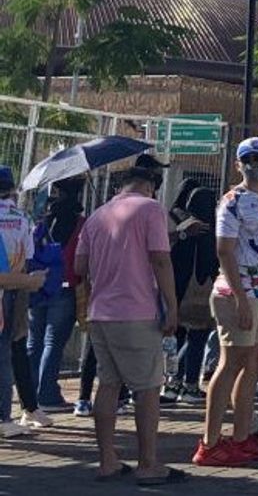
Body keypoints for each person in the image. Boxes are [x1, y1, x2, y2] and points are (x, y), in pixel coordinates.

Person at [75, 161, 187, 485]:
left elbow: (80, 266)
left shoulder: (96, 216)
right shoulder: (151, 209)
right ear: (151, 185)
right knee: (148, 388)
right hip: (137, 312)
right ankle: (148, 463)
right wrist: (172, 305)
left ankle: (107, 460)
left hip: (101, 314)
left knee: (108, 385)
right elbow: (161, 259)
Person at [194, 137, 258, 467]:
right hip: (238, 292)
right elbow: (223, 249)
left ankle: (240, 436)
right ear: (238, 164)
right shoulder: (232, 200)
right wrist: (240, 298)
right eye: (247, 159)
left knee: (254, 362)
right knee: (231, 361)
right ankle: (209, 442)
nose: (253, 164)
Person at [27, 176, 85, 413]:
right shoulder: (80, 222)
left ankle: (29, 393)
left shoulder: (42, 219)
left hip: (38, 285)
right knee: (53, 341)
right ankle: (48, 393)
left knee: (34, 341)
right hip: (64, 285)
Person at [0, 165, 49, 439]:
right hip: (14, 290)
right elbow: (28, 255)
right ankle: (5, 416)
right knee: (8, 350)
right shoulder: (21, 218)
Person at [163, 180, 218, 406]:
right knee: (197, 338)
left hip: (176, 289)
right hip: (200, 291)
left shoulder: (182, 228)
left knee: (176, 339)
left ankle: (171, 384)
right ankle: (189, 385)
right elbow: (213, 264)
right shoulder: (211, 232)